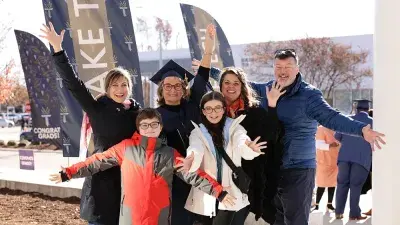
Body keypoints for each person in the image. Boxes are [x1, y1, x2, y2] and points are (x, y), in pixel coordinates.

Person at [203, 49, 386, 225]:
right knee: (276, 219)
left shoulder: (309, 95)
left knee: (296, 221)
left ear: (297, 69)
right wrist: (208, 70)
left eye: (288, 67)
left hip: (298, 169)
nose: (283, 72)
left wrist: (361, 130)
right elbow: (240, 83)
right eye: (279, 67)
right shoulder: (268, 89)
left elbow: (332, 117)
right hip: (272, 169)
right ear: (274, 69)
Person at [50, 108, 236, 225]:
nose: (149, 128)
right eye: (144, 125)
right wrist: (68, 173)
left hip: (160, 215)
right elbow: (96, 161)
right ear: (138, 128)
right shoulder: (125, 148)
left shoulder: (170, 154)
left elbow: (194, 175)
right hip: (131, 216)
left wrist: (218, 191)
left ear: (160, 128)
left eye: (154, 124)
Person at [40, 22, 141, 225]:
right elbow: (73, 84)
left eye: (124, 85)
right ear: (107, 88)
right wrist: (58, 49)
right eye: (115, 85)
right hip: (102, 182)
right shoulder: (97, 109)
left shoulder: (138, 113)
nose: (120, 89)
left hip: (131, 183)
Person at [149, 24, 216, 225]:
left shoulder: (193, 104)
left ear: (184, 87)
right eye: (167, 86)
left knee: (204, 219)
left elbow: (202, 74)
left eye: (178, 85)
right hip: (175, 180)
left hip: (203, 172)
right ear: (161, 89)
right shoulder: (155, 116)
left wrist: (208, 52)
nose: (173, 89)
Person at [180, 91, 266, 225]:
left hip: (230, 190)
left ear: (224, 109)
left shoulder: (234, 128)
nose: (213, 113)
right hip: (207, 192)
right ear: (203, 111)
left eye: (217, 108)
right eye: (208, 108)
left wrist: (249, 147)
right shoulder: (197, 132)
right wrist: (191, 159)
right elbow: (196, 148)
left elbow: (241, 140)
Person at [334, 100, 373, 220]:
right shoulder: (373, 122)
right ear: (368, 109)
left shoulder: (346, 119)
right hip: (361, 159)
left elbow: (337, 137)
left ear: (356, 109)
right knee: (355, 186)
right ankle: (354, 214)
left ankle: (339, 212)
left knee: (341, 184)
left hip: (344, 157)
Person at [313, 125, 340, 212]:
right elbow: (318, 144)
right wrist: (330, 145)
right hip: (323, 161)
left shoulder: (338, 128)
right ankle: (317, 204)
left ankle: (329, 204)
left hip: (335, 160)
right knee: (322, 184)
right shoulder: (321, 129)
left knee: (332, 184)